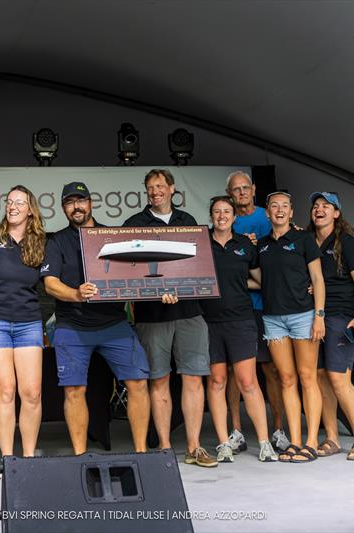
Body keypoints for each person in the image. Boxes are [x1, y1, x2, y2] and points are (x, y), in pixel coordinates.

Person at [41, 182, 150, 455]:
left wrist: (160, 290)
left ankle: (141, 453)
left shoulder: (112, 237)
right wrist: (76, 294)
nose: (76, 207)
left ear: (91, 202)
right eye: (70, 202)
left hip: (113, 323)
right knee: (74, 390)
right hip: (72, 325)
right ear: (63, 207)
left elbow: (136, 273)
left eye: (81, 201)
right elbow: (50, 284)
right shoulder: (56, 241)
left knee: (138, 382)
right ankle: (80, 455)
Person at [123, 169, 216, 468]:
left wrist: (180, 287)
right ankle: (164, 448)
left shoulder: (188, 222)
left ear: (172, 189)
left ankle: (194, 447)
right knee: (158, 380)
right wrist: (155, 290)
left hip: (190, 312)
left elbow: (197, 262)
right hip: (152, 315)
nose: (155, 192)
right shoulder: (134, 224)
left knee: (193, 378)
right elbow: (130, 269)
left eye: (160, 186)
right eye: (150, 187)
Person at [201, 196, 278, 464]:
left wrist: (237, 285)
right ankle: (223, 443)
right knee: (218, 381)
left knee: (248, 382)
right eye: (217, 212)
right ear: (211, 215)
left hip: (241, 320)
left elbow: (260, 280)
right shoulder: (201, 243)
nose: (222, 216)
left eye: (226, 212)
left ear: (235, 217)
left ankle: (265, 443)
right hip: (208, 322)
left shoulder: (245, 245)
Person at [0, 185, 45, 458]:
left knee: (32, 393)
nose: (13, 206)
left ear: (30, 209)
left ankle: (27, 458)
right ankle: (8, 459)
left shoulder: (39, 242)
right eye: (9, 201)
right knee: (5, 392)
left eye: (19, 202)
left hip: (28, 323)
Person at [257, 191, 326, 463]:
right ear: (267, 213)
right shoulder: (261, 245)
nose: (279, 210)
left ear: (291, 211)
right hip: (273, 319)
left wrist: (319, 315)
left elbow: (318, 279)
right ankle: (294, 441)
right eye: (274, 206)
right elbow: (257, 278)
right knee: (286, 379)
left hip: (303, 316)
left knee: (307, 377)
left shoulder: (303, 239)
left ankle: (310, 442)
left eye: (285, 205)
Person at [224, 170, 289, 454]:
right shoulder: (226, 219)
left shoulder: (267, 216)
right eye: (235, 189)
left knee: (271, 369)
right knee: (232, 373)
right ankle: (236, 431)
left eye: (245, 188)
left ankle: (278, 429)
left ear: (253, 189)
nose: (241, 193)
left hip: (267, 307)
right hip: (236, 309)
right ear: (230, 194)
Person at [307, 192, 354, 461]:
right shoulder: (308, 242)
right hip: (314, 317)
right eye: (316, 206)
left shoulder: (347, 243)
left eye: (326, 206)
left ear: (336, 214)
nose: (319, 210)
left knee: (339, 379)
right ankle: (331, 438)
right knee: (321, 378)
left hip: (341, 316)